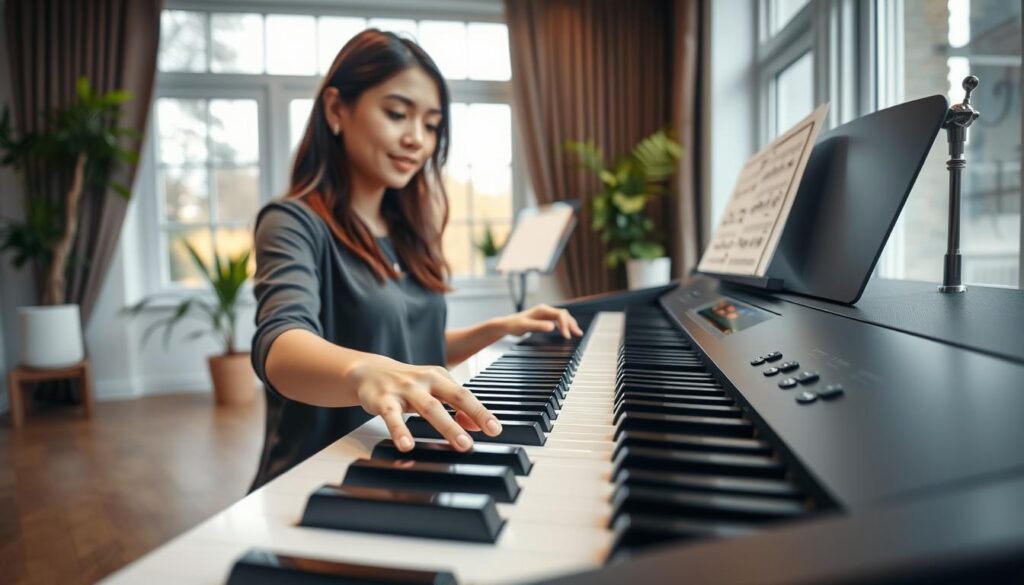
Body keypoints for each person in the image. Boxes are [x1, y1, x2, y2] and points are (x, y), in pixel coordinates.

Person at [248, 29, 582, 491]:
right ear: (335, 109)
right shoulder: (292, 222)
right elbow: (281, 348)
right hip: (320, 480)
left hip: (405, 466)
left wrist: (496, 330)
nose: (417, 140)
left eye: (430, 125)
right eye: (397, 114)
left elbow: (403, 344)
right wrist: (361, 372)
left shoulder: (406, 231)